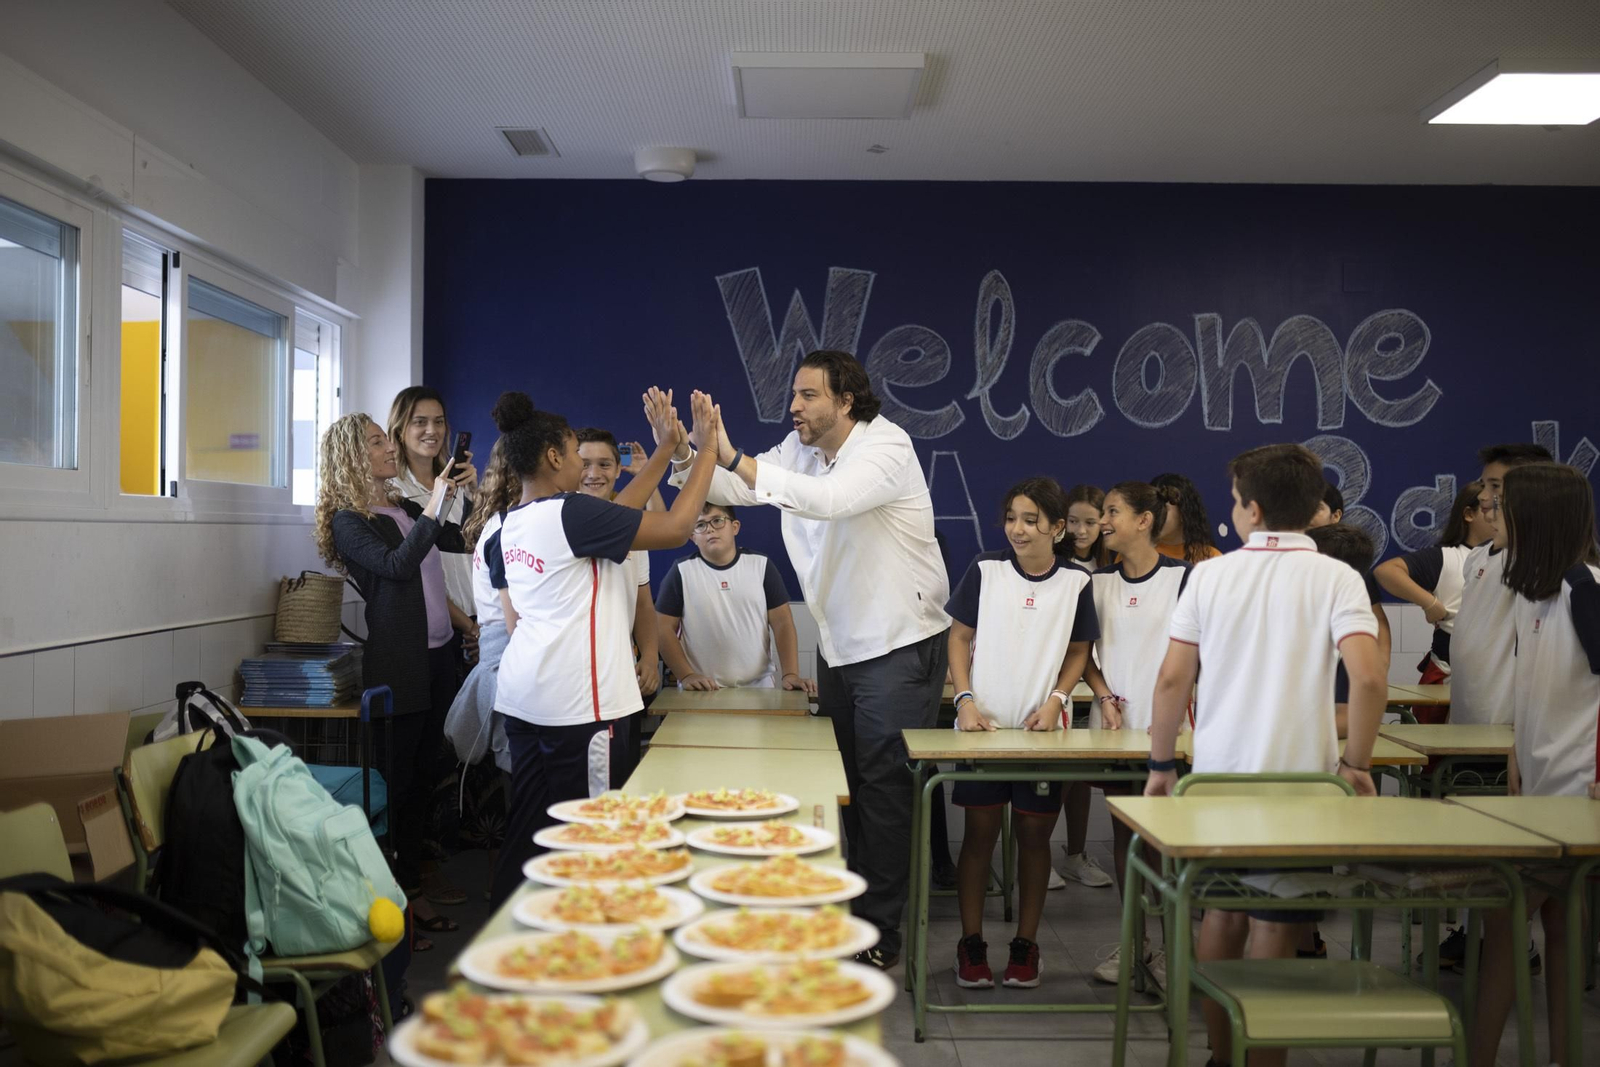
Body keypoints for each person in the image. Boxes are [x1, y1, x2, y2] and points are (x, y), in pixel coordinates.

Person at [662, 350, 950, 968]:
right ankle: (858, 911)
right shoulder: (800, 451)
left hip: (898, 645)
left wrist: (735, 455)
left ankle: (878, 935)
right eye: (794, 395)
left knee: (883, 792)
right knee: (852, 787)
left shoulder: (886, 447)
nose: (793, 406)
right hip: (843, 647)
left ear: (846, 400)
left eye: (808, 395)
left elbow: (828, 499)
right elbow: (738, 486)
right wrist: (689, 454)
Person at [1145, 443, 1386, 1067]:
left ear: (1250, 510)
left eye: (1233, 502)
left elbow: (1172, 681)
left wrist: (1161, 765)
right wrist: (1356, 764)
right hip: (1302, 786)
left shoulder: (1211, 574)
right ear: (1312, 509)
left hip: (1218, 783)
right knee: (1277, 925)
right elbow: (1368, 678)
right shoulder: (1337, 576)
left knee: (1220, 913)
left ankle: (1221, 1055)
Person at [487, 388, 720, 905]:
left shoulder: (513, 523)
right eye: (573, 454)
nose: (581, 465)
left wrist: (662, 451)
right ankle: (586, 949)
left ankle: (509, 943)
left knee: (531, 828)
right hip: (580, 709)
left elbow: (619, 515)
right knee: (593, 837)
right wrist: (704, 449)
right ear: (552, 457)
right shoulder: (569, 516)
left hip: (526, 700)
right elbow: (679, 528)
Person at [314, 412, 473, 950]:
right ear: (351, 457)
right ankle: (397, 905)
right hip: (399, 666)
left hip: (437, 657)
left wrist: (454, 496)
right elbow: (399, 566)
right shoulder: (347, 521)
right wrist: (432, 506)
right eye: (378, 443)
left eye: (386, 440)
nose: (390, 449)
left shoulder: (404, 507)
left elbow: (448, 547)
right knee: (398, 787)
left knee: (428, 776)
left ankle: (412, 889)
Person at [1468, 462, 1600, 1067]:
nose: (1495, 512)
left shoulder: (1586, 588)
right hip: (1539, 788)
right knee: (1543, 927)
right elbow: (1531, 685)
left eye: (1506, 504)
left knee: (1515, 920)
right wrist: (1514, 747)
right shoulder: (1533, 591)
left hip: (1578, 795)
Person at [948, 477, 1097, 990]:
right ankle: (970, 944)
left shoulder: (1076, 582)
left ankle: (1026, 945)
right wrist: (964, 701)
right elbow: (960, 637)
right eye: (1011, 517)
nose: (1018, 528)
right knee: (979, 838)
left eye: (1031, 520)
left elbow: (1079, 649)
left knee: (1036, 838)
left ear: (1058, 528)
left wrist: (1058, 700)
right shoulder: (985, 570)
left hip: (1040, 739)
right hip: (982, 732)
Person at [1435, 444, 1552, 973]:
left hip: (1508, 734)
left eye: (1496, 487)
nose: (1484, 496)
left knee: (1515, 855)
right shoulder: (1483, 557)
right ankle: (1473, 929)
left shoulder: (1540, 564)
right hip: (1469, 723)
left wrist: (1516, 737)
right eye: (1484, 486)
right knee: (1472, 845)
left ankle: (1514, 942)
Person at [1082, 481, 1191, 990]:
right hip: (1114, 734)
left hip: (1170, 737)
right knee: (1125, 840)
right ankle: (1136, 944)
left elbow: (1202, 657)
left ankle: (1173, 950)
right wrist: (1103, 696)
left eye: (1112, 511)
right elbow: (1085, 659)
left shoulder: (1185, 580)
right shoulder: (1096, 584)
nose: (1103, 521)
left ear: (1145, 520)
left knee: (1163, 847)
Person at [574, 427, 664, 785]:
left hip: (624, 671)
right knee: (592, 783)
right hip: (581, 676)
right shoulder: (563, 519)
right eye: (584, 463)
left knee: (624, 773)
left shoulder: (629, 527)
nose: (594, 473)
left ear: (616, 469)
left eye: (604, 464)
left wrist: (649, 656)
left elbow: (643, 601)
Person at [655, 503, 814, 693]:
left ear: (735, 527)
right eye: (701, 525)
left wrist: (790, 674)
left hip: (759, 687)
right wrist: (686, 675)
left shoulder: (761, 565)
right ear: (692, 537)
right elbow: (662, 629)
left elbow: (783, 623)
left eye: (717, 521)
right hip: (701, 689)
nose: (710, 529)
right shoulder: (681, 571)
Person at [444, 438, 522, 777]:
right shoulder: (508, 530)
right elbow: (515, 624)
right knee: (516, 765)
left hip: (501, 654)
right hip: (509, 659)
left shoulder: (504, 522)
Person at [1050, 484, 1115, 892]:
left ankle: (1075, 854)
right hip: (1059, 683)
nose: (1081, 530)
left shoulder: (1113, 569)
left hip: (1099, 684)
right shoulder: (1053, 566)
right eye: (1073, 521)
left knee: (1080, 775)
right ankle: (1039, 852)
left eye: (1090, 522)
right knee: (1056, 774)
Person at [388, 386, 481, 666]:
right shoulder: (396, 491)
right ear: (399, 428)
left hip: (479, 619)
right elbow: (417, 569)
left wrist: (475, 492)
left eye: (438, 421)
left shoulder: (460, 483)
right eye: (420, 422)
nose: (432, 430)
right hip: (439, 625)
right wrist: (468, 626)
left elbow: (479, 549)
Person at [1373, 480, 1493, 693]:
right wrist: (1429, 603)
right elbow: (1386, 571)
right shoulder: (1447, 557)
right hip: (1452, 669)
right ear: (1469, 514)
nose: (1497, 516)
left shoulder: (1512, 558)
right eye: (1489, 509)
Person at [1150, 472, 1222, 563]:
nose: (1155, 516)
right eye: (1152, 509)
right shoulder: (1140, 556)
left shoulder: (1210, 557)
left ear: (1183, 511)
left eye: (1163, 509)